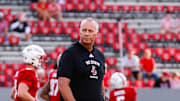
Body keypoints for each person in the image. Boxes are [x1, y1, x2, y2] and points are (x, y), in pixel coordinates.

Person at [57, 17, 105, 101]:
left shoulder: (100, 55)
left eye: (90, 31)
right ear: (79, 32)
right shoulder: (70, 53)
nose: (86, 33)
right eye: (84, 30)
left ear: (96, 34)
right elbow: (62, 83)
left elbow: (100, 83)